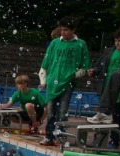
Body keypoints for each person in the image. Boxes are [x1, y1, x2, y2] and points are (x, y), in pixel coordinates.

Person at [38, 16, 90, 146]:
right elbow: (45, 64)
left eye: (66, 30)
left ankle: (60, 136)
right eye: (61, 30)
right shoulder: (55, 43)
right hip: (52, 82)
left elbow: (85, 66)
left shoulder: (81, 44)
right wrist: (43, 80)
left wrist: (74, 76)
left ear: (73, 30)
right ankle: (49, 136)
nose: (63, 32)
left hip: (68, 83)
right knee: (51, 111)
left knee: (62, 110)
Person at [87, 27, 120, 130]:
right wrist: (94, 71)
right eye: (116, 40)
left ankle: (115, 141)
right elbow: (100, 66)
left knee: (116, 115)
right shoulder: (109, 52)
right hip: (105, 87)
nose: (117, 43)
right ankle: (98, 139)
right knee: (102, 114)